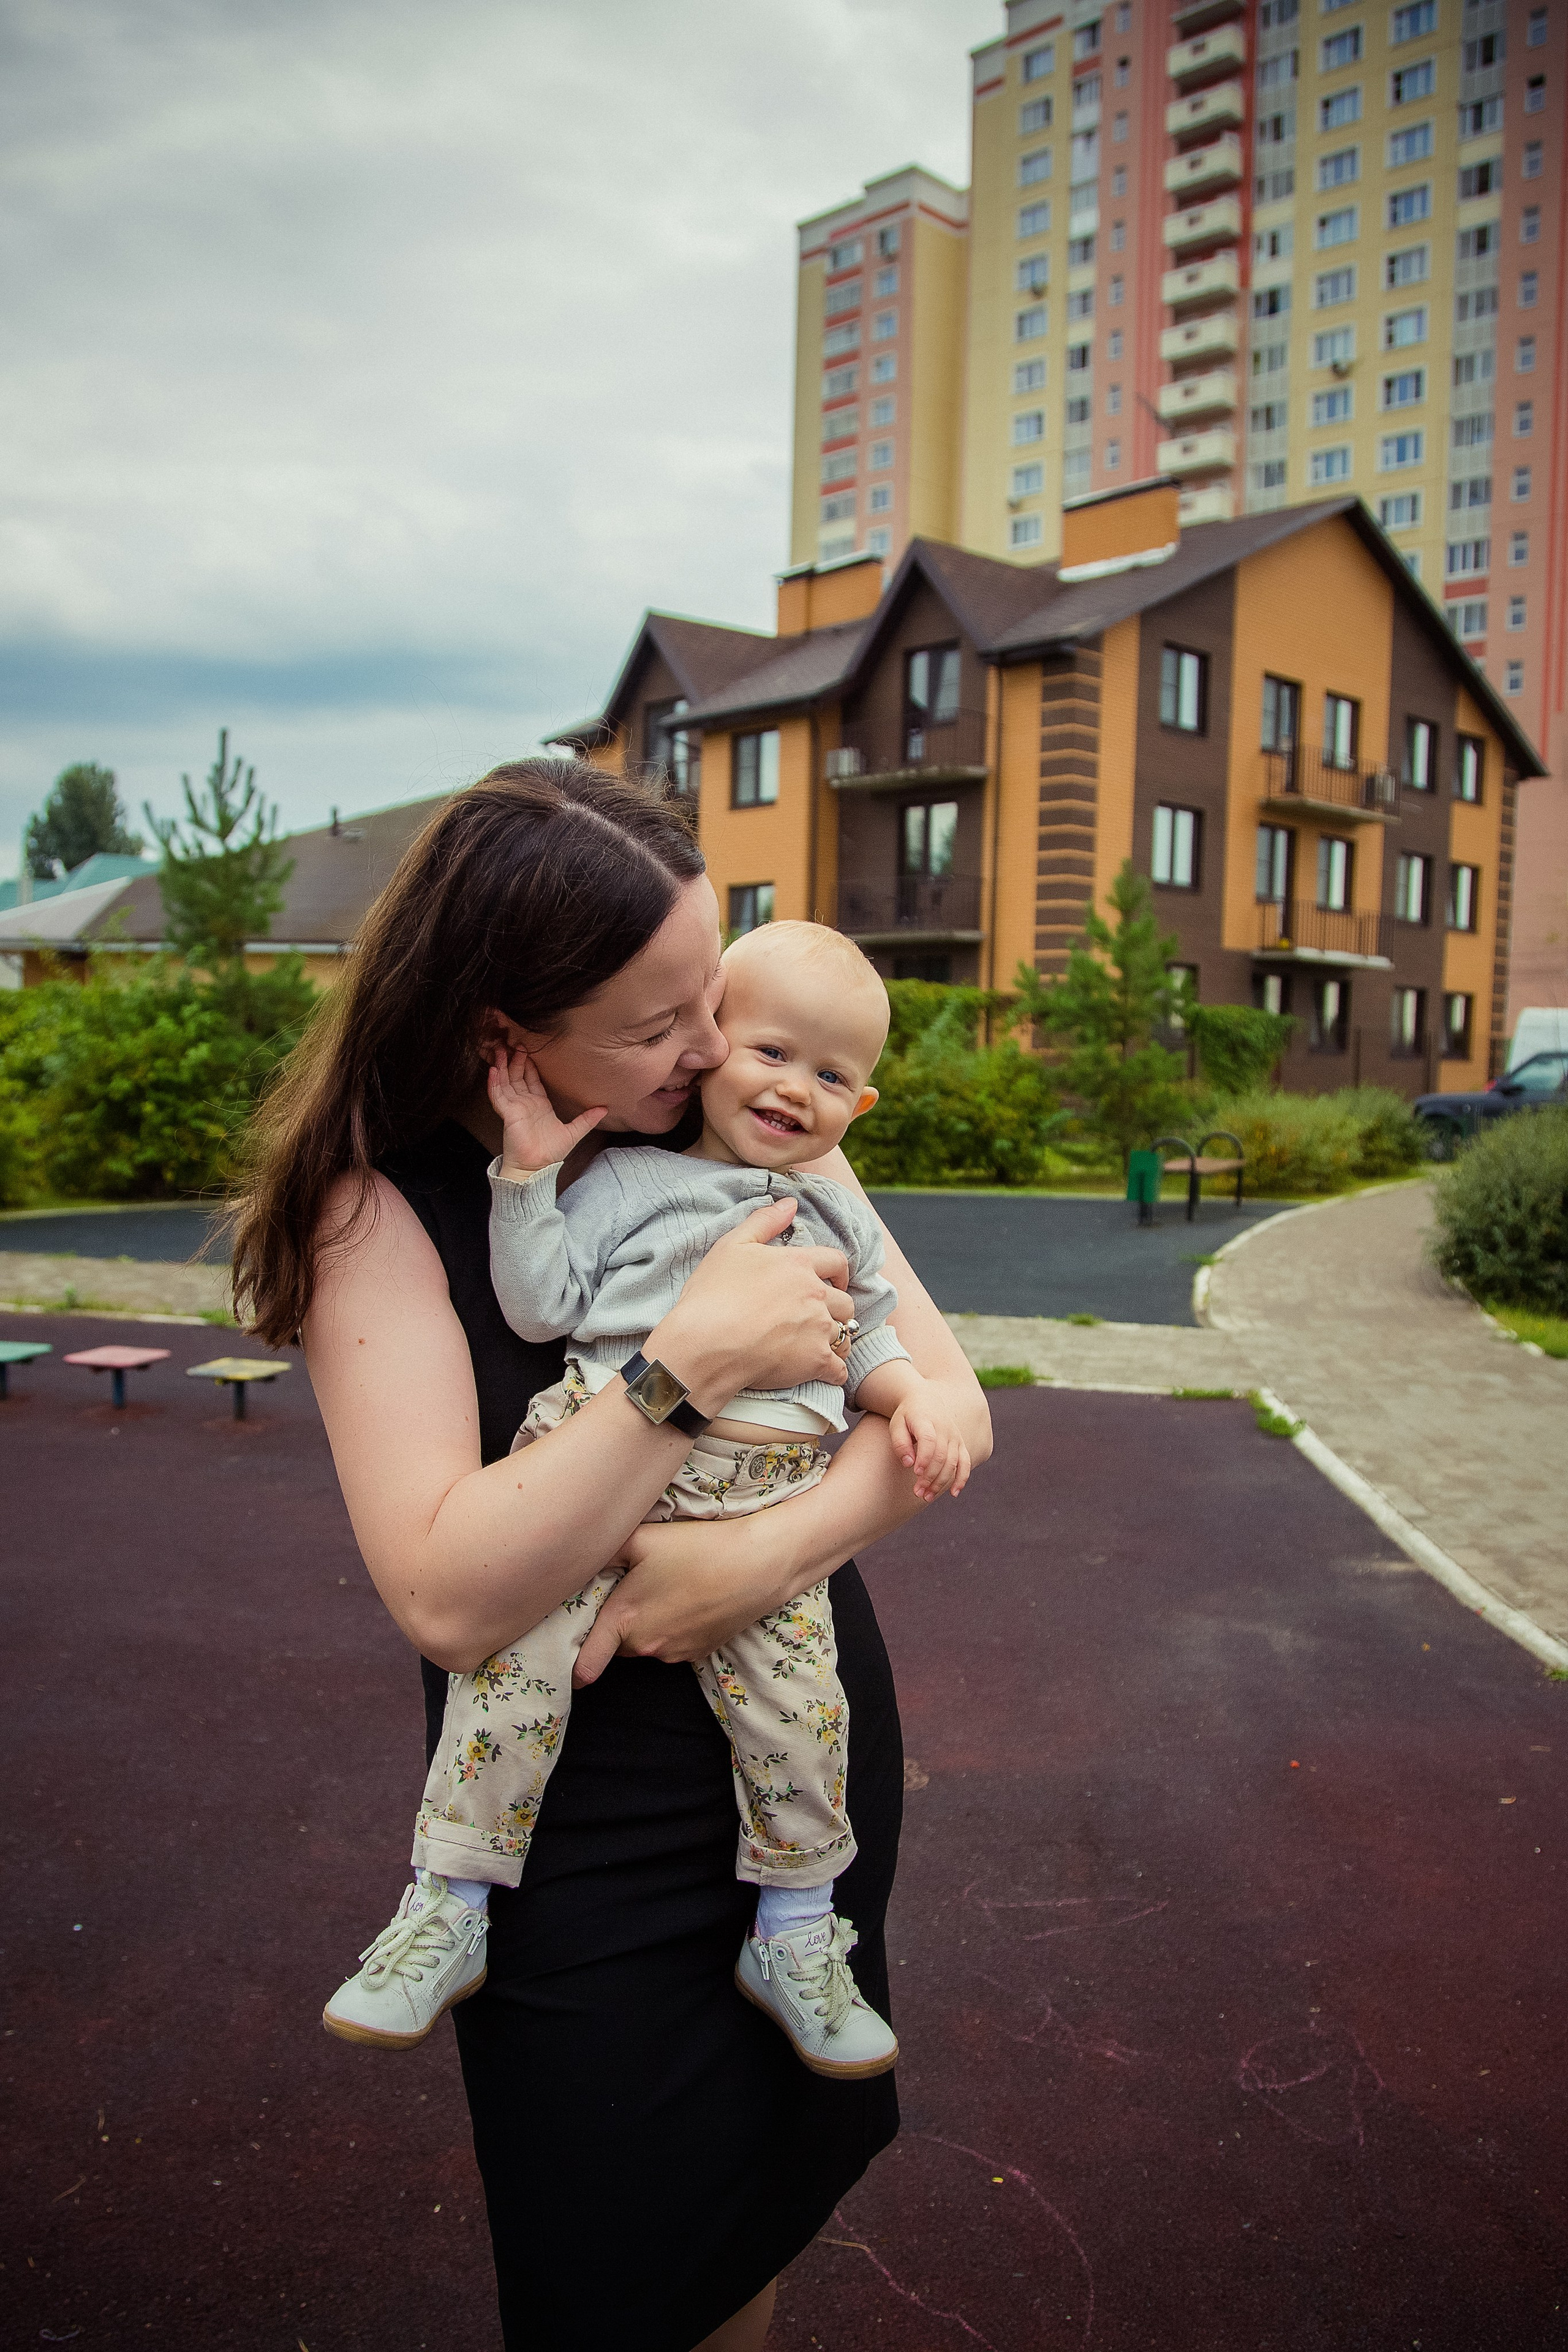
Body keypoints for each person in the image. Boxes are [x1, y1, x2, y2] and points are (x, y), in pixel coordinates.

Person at [233, 761, 991, 2352]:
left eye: (707, 995)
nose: (718, 1052)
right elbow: (448, 1590)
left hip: (794, 1779)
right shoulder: (377, 1211)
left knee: (746, 2238)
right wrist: (679, 1377)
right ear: (503, 1034)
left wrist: (754, 1560)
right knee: (614, 2277)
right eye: (662, 1025)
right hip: (571, 1846)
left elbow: (943, 1403)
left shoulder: (760, 1120)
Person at [322, 920, 974, 2079]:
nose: (768, 1075)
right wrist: (525, 1181)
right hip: (594, 1476)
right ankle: (451, 1897)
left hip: (763, 1493)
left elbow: (871, 1333)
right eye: (750, 1045)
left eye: (832, 1078)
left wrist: (909, 1394)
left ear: (862, 1106)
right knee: (510, 1683)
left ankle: (795, 1932)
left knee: (802, 1718)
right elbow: (544, 1301)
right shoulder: (626, 1179)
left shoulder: (825, 1195)